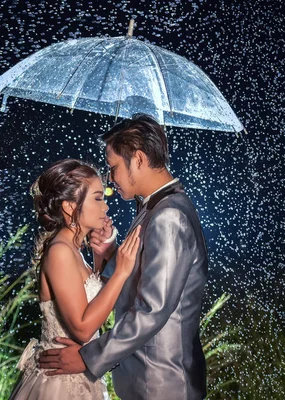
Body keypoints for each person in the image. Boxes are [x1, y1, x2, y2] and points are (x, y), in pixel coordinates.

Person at [39, 114, 209, 400]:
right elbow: (144, 276)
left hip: (162, 382)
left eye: (113, 166)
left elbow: (153, 309)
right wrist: (110, 254)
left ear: (139, 160)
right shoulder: (153, 208)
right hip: (145, 376)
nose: (110, 178)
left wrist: (88, 358)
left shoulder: (168, 216)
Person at [9, 158, 141, 400]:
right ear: (70, 206)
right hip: (60, 382)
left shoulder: (73, 250)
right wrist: (121, 272)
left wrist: (100, 258)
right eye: (98, 198)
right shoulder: (60, 251)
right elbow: (82, 328)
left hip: (79, 374)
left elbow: (89, 301)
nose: (105, 207)